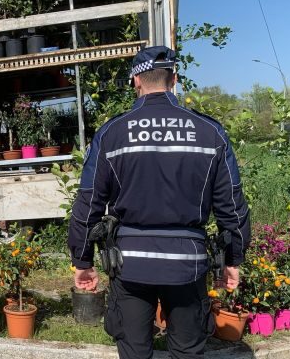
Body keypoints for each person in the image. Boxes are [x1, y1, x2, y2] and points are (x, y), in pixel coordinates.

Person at [67, 46, 251, 359]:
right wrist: (233, 258)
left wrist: (83, 262)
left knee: (134, 350)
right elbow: (231, 204)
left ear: (136, 81)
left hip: (130, 263)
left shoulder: (112, 133)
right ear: (174, 79)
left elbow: (88, 202)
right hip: (188, 263)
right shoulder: (210, 132)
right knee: (188, 351)